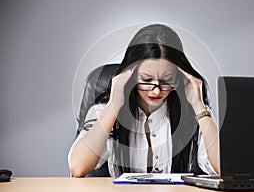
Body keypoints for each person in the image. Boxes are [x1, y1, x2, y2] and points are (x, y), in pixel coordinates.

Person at [68, 24, 220, 177]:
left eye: (167, 81)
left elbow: (225, 168)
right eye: (146, 80)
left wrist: (199, 106)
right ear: (132, 75)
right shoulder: (105, 110)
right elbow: (77, 167)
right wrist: (114, 105)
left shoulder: (195, 113)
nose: (156, 90)